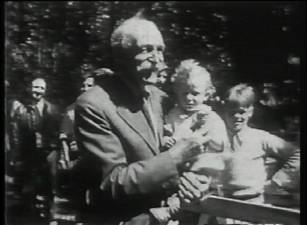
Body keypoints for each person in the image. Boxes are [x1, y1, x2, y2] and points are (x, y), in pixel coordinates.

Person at [74, 15, 210, 225]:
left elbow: (162, 162)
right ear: (121, 57)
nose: (157, 59)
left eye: (160, 49)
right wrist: (175, 158)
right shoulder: (93, 104)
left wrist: (187, 180)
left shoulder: (160, 98)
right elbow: (112, 182)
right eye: (146, 50)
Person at [149, 59, 229, 224]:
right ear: (177, 92)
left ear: (207, 94)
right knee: (172, 183)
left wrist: (207, 139)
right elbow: (167, 133)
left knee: (195, 185)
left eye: (195, 93)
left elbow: (221, 144)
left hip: (203, 168)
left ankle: (174, 209)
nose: (189, 98)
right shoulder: (173, 114)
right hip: (179, 167)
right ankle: (173, 208)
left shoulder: (209, 116)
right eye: (184, 93)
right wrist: (167, 140)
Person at [216, 83, 300, 224]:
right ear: (224, 112)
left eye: (242, 112)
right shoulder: (216, 136)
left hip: (255, 206)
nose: (237, 116)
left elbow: (297, 154)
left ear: (250, 111)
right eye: (231, 112)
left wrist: (278, 181)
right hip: (224, 207)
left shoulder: (259, 138)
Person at [9, 77, 61, 220]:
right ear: (30, 88)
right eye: (35, 87)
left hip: (49, 152)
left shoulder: (52, 109)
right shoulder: (20, 109)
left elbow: (58, 133)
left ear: (45, 91)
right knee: (30, 184)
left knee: (50, 184)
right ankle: (31, 215)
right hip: (29, 152)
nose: (38, 91)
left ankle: (51, 215)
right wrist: (16, 154)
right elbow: (15, 133)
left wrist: (56, 152)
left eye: (41, 88)